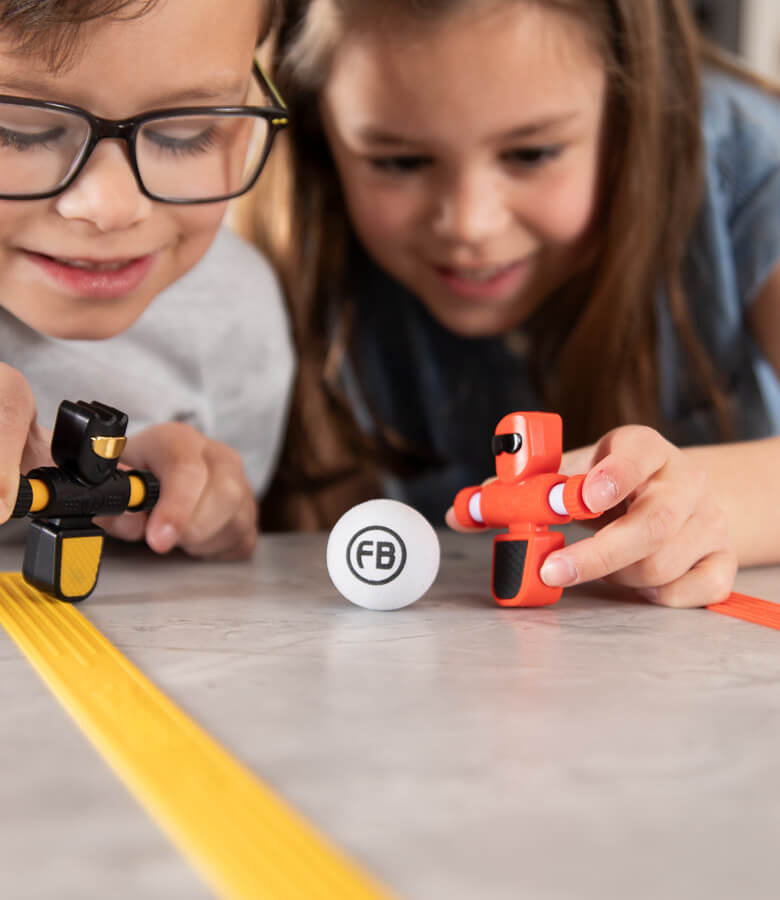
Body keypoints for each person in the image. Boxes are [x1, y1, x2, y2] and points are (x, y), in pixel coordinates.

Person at [244, 0, 780, 607]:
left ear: (630, 113)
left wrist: (706, 505)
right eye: (399, 161)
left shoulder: (749, 163)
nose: (471, 224)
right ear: (317, 136)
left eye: (532, 154)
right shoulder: (275, 242)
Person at [0, 0, 295, 558]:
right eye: (19, 130)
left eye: (188, 131)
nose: (112, 207)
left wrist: (202, 517)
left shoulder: (234, 318)